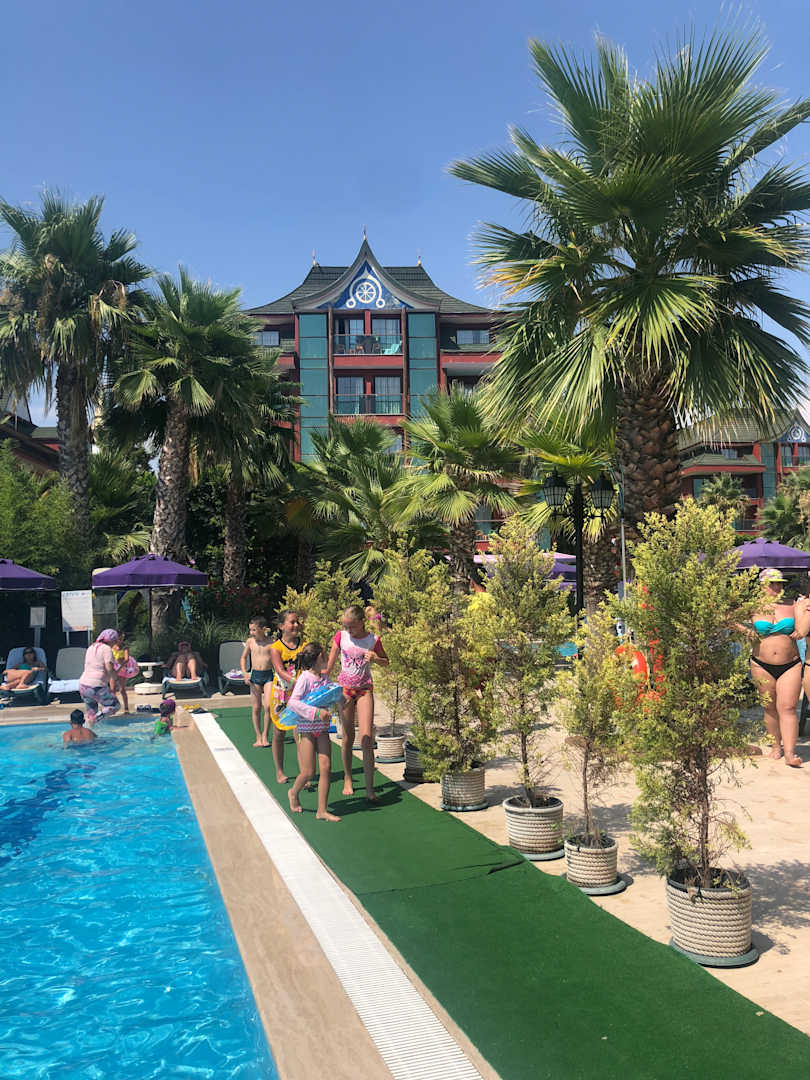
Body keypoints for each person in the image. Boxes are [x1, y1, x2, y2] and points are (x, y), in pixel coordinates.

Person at [745, 568, 810, 767]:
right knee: (770, 707)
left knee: (788, 707)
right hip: (761, 664)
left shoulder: (792, 604)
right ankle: (775, 747)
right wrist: (745, 631)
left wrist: (805, 612)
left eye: (780, 583)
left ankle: (790, 753)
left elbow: (802, 629)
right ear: (762, 585)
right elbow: (727, 617)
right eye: (772, 583)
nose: (777, 587)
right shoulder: (752, 606)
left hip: (790, 664)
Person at [326, 605, 388, 800]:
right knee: (347, 736)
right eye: (345, 626)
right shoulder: (341, 636)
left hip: (364, 689)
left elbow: (386, 661)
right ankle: (348, 777)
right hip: (345, 690)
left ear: (361, 622)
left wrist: (376, 658)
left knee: (366, 738)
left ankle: (370, 788)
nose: (348, 630)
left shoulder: (372, 640)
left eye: (351, 626)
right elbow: (329, 665)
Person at [287, 642, 340, 822]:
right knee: (308, 772)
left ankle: (321, 810)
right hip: (307, 730)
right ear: (319, 658)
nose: (328, 658)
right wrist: (316, 713)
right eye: (325, 655)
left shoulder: (324, 678)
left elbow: (331, 694)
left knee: (326, 768)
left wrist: (340, 699)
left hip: (322, 729)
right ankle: (293, 793)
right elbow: (293, 702)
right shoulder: (305, 679)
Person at [269, 610, 307, 783]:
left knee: (299, 732)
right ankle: (279, 771)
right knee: (279, 733)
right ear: (281, 626)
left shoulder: (304, 645)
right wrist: (296, 681)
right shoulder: (276, 648)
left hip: (300, 693)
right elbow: (279, 669)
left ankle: (304, 772)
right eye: (292, 622)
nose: (296, 625)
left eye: (297, 622)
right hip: (282, 694)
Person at [240, 614, 276, 750]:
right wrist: (245, 673)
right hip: (255, 675)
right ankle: (258, 736)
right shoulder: (250, 642)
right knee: (256, 708)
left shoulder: (272, 642)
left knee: (268, 706)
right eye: (250, 630)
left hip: (268, 676)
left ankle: (265, 735)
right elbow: (243, 658)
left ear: (263, 629)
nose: (251, 632)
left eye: (254, 630)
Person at [78, 629, 121, 725]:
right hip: (96, 686)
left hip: (83, 686)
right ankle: (95, 719)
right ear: (110, 640)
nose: (115, 644)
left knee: (91, 711)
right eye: (115, 641)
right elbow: (109, 668)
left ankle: (88, 727)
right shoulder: (106, 649)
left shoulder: (91, 647)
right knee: (115, 705)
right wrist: (116, 680)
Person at [110, 632, 138, 715]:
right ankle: (113, 707)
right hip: (113, 668)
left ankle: (126, 708)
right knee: (112, 689)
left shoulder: (125, 647)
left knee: (122, 689)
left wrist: (119, 668)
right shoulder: (111, 646)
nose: (121, 640)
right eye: (119, 638)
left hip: (122, 668)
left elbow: (126, 659)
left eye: (122, 639)